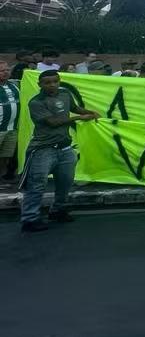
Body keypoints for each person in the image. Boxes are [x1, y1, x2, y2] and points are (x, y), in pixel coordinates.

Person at [20, 70, 100, 232]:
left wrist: (89, 113)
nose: (52, 85)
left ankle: (58, 211)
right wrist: (78, 118)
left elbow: (75, 107)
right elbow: (53, 122)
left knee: (65, 182)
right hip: (43, 149)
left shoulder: (65, 93)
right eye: (47, 83)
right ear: (40, 85)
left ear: (59, 81)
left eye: (55, 81)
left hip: (65, 147)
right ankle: (30, 219)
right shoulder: (36, 102)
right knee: (36, 185)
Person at [0, 61, 20, 180]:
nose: (6, 72)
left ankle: (1, 178)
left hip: (12, 129)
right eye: (2, 70)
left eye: (7, 70)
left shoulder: (14, 85)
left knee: (6, 156)